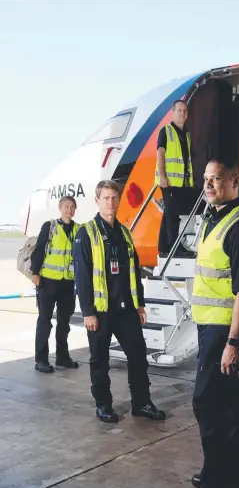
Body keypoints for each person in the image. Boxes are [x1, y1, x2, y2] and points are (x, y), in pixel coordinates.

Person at [176, 160, 239, 488]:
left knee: (207, 402)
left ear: (234, 181)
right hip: (210, 325)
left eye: (216, 179)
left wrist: (234, 343)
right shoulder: (214, 218)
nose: (209, 184)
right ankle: (233, 474)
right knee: (227, 399)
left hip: (225, 329)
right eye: (206, 179)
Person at [73, 180, 166, 423]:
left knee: (138, 355)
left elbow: (134, 272)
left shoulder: (124, 232)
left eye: (114, 198)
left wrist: (140, 304)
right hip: (100, 311)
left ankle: (142, 403)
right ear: (97, 200)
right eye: (106, 198)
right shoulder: (87, 233)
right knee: (100, 360)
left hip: (126, 309)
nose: (111, 203)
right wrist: (88, 312)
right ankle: (103, 405)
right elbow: (82, 277)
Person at [31, 196, 80, 373]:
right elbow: (39, 249)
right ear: (60, 208)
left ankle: (62, 357)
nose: (69, 210)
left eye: (72, 207)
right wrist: (35, 274)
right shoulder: (50, 226)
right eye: (66, 206)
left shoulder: (78, 229)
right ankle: (41, 360)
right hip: (48, 281)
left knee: (64, 322)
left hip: (68, 282)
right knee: (44, 321)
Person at [155, 99, 196, 257]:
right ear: (173, 113)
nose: (183, 113)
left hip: (182, 182)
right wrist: (163, 177)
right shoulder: (166, 131)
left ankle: (163, 246)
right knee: (173, 214)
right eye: (180, 110)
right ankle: (173, 247)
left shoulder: (186, 134)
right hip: (169, 181)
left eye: (185, 111)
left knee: (170, 213)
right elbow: (160, 153)